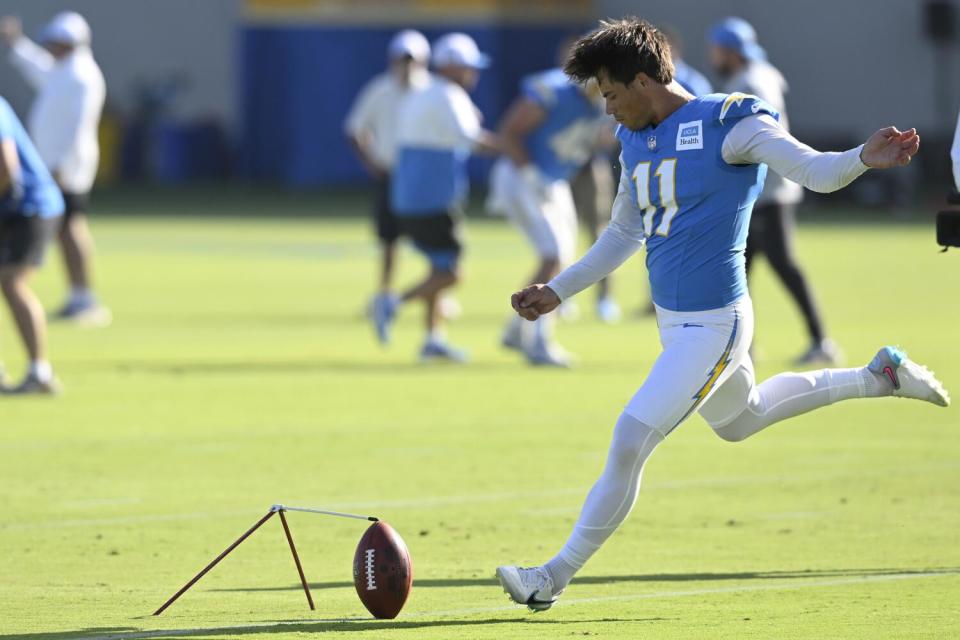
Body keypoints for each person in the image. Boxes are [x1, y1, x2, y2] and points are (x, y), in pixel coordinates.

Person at [495, 18, 948, 611]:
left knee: (630, 437)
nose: (606, 110)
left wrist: (863, 156)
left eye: (609, 93)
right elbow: (624, 233)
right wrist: (558, 290)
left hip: (715, 325)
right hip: (675, 324)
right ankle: (880, 376)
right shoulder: (637, 140)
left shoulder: (730, 122)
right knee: (742, 420)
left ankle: (549, 578)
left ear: (640, 81)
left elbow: (814, 171)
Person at [710, 17, 837, 364]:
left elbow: (768, 132)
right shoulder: (762, 73)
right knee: (740, 268)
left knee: (781, 266)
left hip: (768, 192)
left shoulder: (750, 82)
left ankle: (820, 341)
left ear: (730, 52)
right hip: (766, 189)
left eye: (717, 50)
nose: (713, 57)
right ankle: (742, 347)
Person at [371, 33, 498, 361]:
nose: (474, 74)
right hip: (432, 198)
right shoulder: (449, 94)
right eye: (469, 67)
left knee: (436, 267)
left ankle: (433, 338)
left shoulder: (423, 92)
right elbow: (475, 140)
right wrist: (514, 149)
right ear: (453, 68)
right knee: (452, 272)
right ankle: (392, 303)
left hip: (407, 197)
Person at [487, 61, 608, 365]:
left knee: (563, 258)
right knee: (552, 255)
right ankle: (538, 339)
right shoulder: (553, 90)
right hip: (522, 175)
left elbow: (594, 139)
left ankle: (517, 330)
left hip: (553, 181)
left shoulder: (606, 99)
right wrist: (529, 173)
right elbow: (509, 131)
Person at [0, 12, 108, 326]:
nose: (49, 47)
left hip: (67, 164)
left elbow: (78, 125)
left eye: (54, 42)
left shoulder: (81, 75)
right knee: (65, 228)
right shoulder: (65, 69)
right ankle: (78, 293)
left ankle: (83, 295)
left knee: (71, 226)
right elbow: (39, 70)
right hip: (53, 163)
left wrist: (62, 165)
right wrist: (16, 44)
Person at [344, 30, 431, 302]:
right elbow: (355, 128)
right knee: (390, 239)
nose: (406, 66)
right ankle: (384, 293)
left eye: (412, 60)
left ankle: (434, 292)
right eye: (402, 60)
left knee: (432, 239)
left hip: (423, 176)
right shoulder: (380, 90)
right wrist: (370, 162)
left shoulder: (433, 91)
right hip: (392, 174)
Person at [0, 96, 64, 394]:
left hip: (30, 205)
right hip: (11, 208)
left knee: (12, 282)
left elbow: (5, 166)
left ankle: (40, 372)